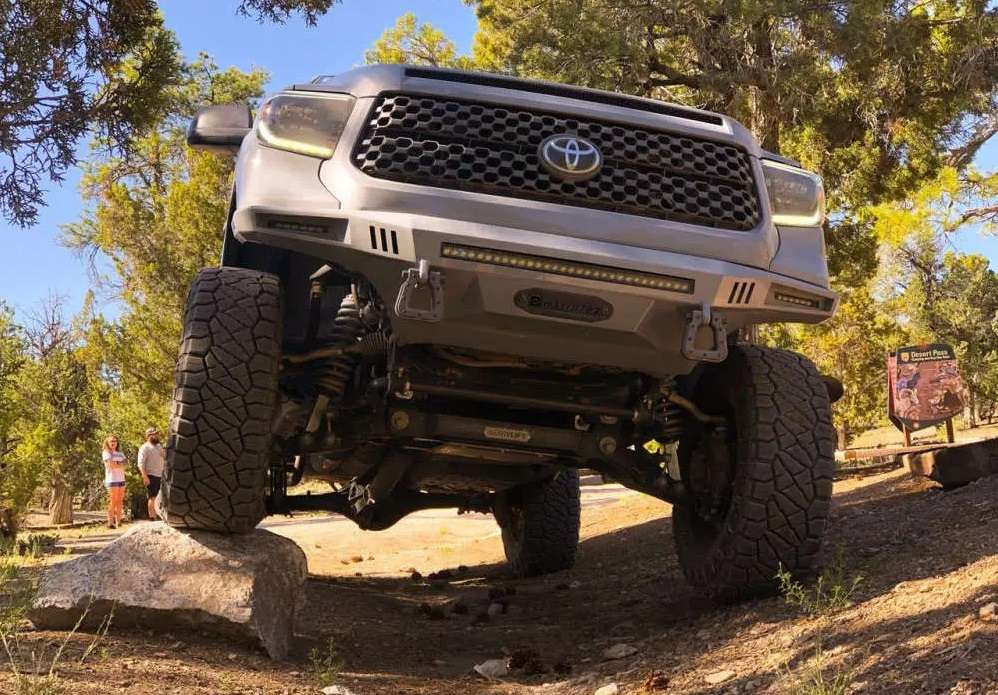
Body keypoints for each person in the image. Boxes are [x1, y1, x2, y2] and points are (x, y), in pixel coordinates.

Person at [137, 427, 165, 520]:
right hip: (151, 475)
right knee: (152, 497)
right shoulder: (144, 447)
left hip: (161, 475)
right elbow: (140, 464)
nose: (157, 436)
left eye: (157, 434)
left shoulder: (158, 446)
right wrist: (145, 477)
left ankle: (160, 516)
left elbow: (164, 456)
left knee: (160, 497)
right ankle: (152, 517)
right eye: (154, 434)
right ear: (149, 436)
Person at [102, 436, 126, 528]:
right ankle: (110, 522)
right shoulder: (106, 453)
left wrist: (117, 463)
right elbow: (110, 465)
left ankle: (118, 522)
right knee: (113, 501)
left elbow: (126, 463)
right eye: (111, 441)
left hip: (121, 479)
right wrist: (119, 464)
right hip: (112, 480)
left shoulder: (120, 453)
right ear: (107, 442)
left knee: (120, 501)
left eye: (115, 441)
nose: (113, 443)